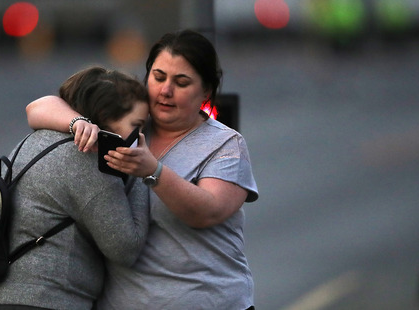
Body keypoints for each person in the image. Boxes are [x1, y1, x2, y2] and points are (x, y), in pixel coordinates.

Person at [26, 29, 259, 310]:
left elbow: (207, 212)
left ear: (206, 91)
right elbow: (39, 107)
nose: (166, 91)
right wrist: (77, 122)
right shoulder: (126, 121)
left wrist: (154, 172)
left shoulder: (225, 144)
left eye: (181, 82)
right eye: (158, 77)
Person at [0, 66, 151, 310]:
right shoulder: (87, 159)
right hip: (39, 301)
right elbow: (126, 248)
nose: (141, 136)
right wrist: (141, 173)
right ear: (105, 115)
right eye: (137, 125)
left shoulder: (35, 139)